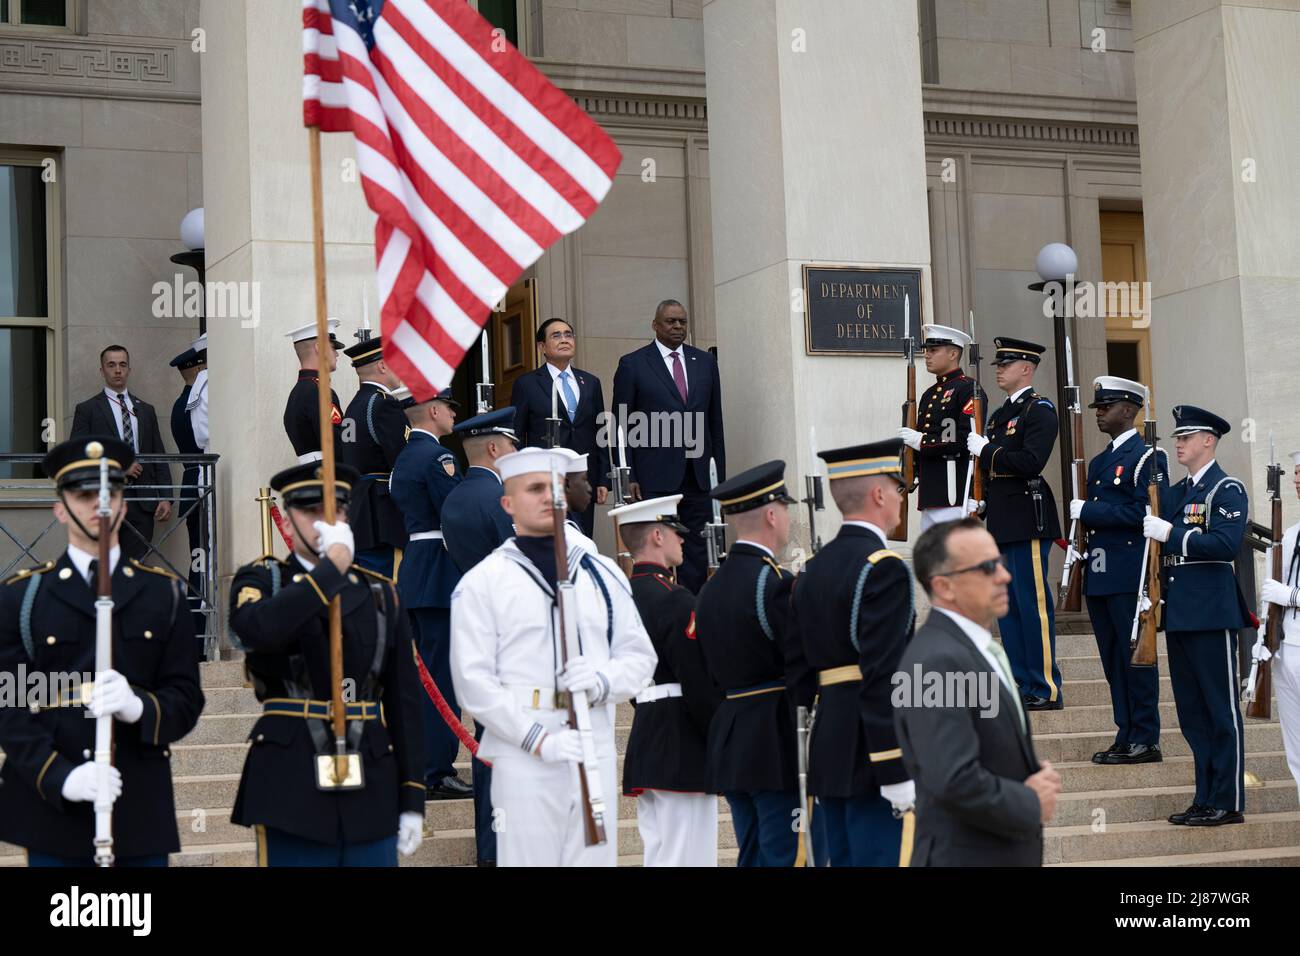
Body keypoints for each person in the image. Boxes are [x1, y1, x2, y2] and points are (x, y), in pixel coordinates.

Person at [0, 436, 204, 866]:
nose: (99, 504)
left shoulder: (163, 594)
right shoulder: (24, 597)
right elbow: (10, 706)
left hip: (138, 809)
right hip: (54, 812)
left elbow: (185, 699)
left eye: (109, 492)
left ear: (124, 504)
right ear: (60, 508)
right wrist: (61, 776)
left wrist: (139, 707)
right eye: (84, 494)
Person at [449, 447, 657, 866]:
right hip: (523, 754)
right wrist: (536, 738)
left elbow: (639, 656)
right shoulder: (485, 583)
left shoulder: (602, 574)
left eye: (555, 487)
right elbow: (474, 683)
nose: (548, 497)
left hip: (590, 745)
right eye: (535, 488)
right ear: (508, 504)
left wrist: (602, 681)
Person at [227, 460, 426, 866]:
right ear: (286, 517)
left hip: (370, 774)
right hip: (290, 776)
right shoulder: (263, 581)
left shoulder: (380, 593)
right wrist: (331, 568)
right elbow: (258, 632)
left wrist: (412, 795)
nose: (324, 521)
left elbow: (404, 701)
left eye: (336, 510)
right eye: (310, 510)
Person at [894, 518, 1062, 866]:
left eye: (999, 562)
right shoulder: (935, 661)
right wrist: (1030, 801)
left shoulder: (971, 648)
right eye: (987, 568)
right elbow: (953, 779)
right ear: (944, 586)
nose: (1004, 576)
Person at [790, 440, 917, 866]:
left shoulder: (811, 568)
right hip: (872, 755)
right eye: (897, 488)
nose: (902, 498)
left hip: (829, 746)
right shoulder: (884, 567)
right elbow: (883, 675)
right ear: (879, 494)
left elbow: (800, 672)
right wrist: (895, 767)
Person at [693, 460, 805, 867]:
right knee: (786, 856)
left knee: (752, 854)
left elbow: (707, 672)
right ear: (772, 515)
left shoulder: (709, 589)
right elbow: (797, 663)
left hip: (732, 736)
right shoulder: (772, 583)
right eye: (786, 509)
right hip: (773, 740)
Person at [1143, 405, 1251, 826]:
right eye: (1177, 437)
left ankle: (1228, 799)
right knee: (1192, 713)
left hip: (1211, 610)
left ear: (1209, 440)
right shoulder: (1175, 491)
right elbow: (1149, 516)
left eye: (1186, 437)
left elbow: (1224, 545)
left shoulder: (1227, 489)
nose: (1179, 443)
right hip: (1180, 611)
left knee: (1221, 711)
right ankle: (1205, 796)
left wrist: (1175, 534)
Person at [613, 494, 721, 867]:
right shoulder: (675, 600)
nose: (682, 540)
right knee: (690, 854)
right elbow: (697, 679)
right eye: (675, 532)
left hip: (648, 730)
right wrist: (718, 734)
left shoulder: (618, 597)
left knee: (661, 851)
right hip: (683, 742)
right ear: (657, 536)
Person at [1068, 377, 1165, 765]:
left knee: (1135, 657)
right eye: (1097, 408)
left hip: (1131, 571)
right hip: (1101, 572)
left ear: (1129, 409)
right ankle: (1125, 732)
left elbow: (1148, 513)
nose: (1100, 414)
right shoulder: (1098, 461)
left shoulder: (1148, 458)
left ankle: (1146, 736)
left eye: (1106, 407)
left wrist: (1089, 511)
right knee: (1112, 658)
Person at [439, 405, 519, 866]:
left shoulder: (454, 497)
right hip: (509, 633)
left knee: (488, 748)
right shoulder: (497, 500)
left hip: (477, 628)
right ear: (494, 448)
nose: (515, 453)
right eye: (511, 446)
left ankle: (491, 848)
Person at [967, 336, 1062, 711]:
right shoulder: (998, 415)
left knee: (1032, 603)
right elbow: (996, 470)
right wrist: (983, 499)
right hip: (1003, 518)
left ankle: (1044, 686)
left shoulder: (1038, 411)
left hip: (1027, 517)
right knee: (1008, 606)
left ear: (1026, 368)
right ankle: (1021, 682)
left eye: (1005, 364)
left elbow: (1030, 462)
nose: (998, 370)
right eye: (998, 364)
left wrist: (987, 450)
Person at [388, 385, 471, 800]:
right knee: (442, 676)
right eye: (450, 408)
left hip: (417, 567)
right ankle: (436, 770)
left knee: (423, 676)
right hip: (441, 569)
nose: (454, 415)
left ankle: (420, 764)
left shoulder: (404, 457)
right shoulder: (439, 457)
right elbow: (455, 514)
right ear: (434, 410)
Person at [613, 299, 726, 594]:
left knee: (697, 551)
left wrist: (719, 478)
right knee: (657, 546)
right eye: (670, 322)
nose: (677, 327)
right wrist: (630, 476)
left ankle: (693, 610)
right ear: (655, 325)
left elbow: (715, 423)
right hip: (654, 476)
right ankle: (663, 607)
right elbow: (622, 426)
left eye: (682, 322)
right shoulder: (633, 364)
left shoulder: (705, 362)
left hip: (698, 475)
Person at [70, 345, 173, 562]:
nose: (118, 370)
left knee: (135, 568)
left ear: (129, 369)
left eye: (122, 364)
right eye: (111, 365)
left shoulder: (145, 410)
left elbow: (158, 454)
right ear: (102, 371)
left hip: (142, 502)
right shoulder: (87, 409)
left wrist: (166, 496)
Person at [510, 317, 610, 535]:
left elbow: (600, 431)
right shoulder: (527, 384)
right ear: (542, 347)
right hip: (545, 478)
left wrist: (603, 478)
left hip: (582, 479)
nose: (564, 340)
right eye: (556, 335)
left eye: (568, 335)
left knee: (582, 538)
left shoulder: (591, 382)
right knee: (550, 540)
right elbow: (516, 436)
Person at [898, 324, 986, 529]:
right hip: (930, 492)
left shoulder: (967, 389)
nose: (927, 355)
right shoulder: (929, 394)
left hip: (954, 492)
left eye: (933, 350)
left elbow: (963, 439)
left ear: (953, 353)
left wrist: (921, 441)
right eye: (926, 350)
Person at [339, 335, 408, 579]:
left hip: (357, 508)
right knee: (385, 586)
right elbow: (402, 461)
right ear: (382, 365)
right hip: (381, 513)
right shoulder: (384, 405)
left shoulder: (354, 405)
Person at [1260, 449, 1300, 800]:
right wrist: (1263, 635)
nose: (1298, 480)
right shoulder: (1291, 534)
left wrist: (1289, 595)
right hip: (1286, 649)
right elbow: (1270, 590)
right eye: (1297, 473)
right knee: (1296, 753)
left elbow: (1283, 591)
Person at [169, 336, 209, 642]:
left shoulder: (181, 403)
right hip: (200, 485)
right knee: (202, 566)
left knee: (200, 564)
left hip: (193, 485)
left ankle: (196, 637)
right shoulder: (193, 402)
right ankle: (197, 637)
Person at [283, 319, 345, 464]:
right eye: (333, 347)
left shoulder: (297, 392)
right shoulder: (318, 391)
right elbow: (339, 444)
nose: (337, 354)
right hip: (328, 477)